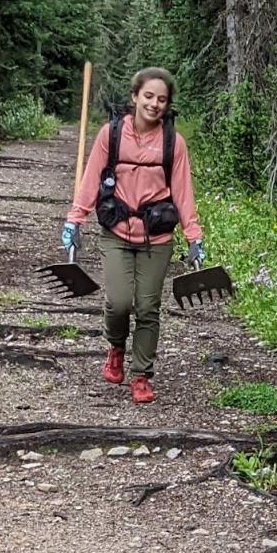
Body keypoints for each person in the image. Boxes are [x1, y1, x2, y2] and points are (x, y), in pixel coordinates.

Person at [65, 68, 203, 406]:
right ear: (134, 97)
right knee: (119, 302)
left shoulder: (174, 142)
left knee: (147, 307)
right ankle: (115, 347)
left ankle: (141, 374)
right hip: (116, 232)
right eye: (149, 97)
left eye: (162, 99)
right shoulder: (110, 135)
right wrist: (74, 220)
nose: (154, 104)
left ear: (167, 105)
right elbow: (90, 177)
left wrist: (193, 236)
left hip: (156, 237)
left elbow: (183, 192)